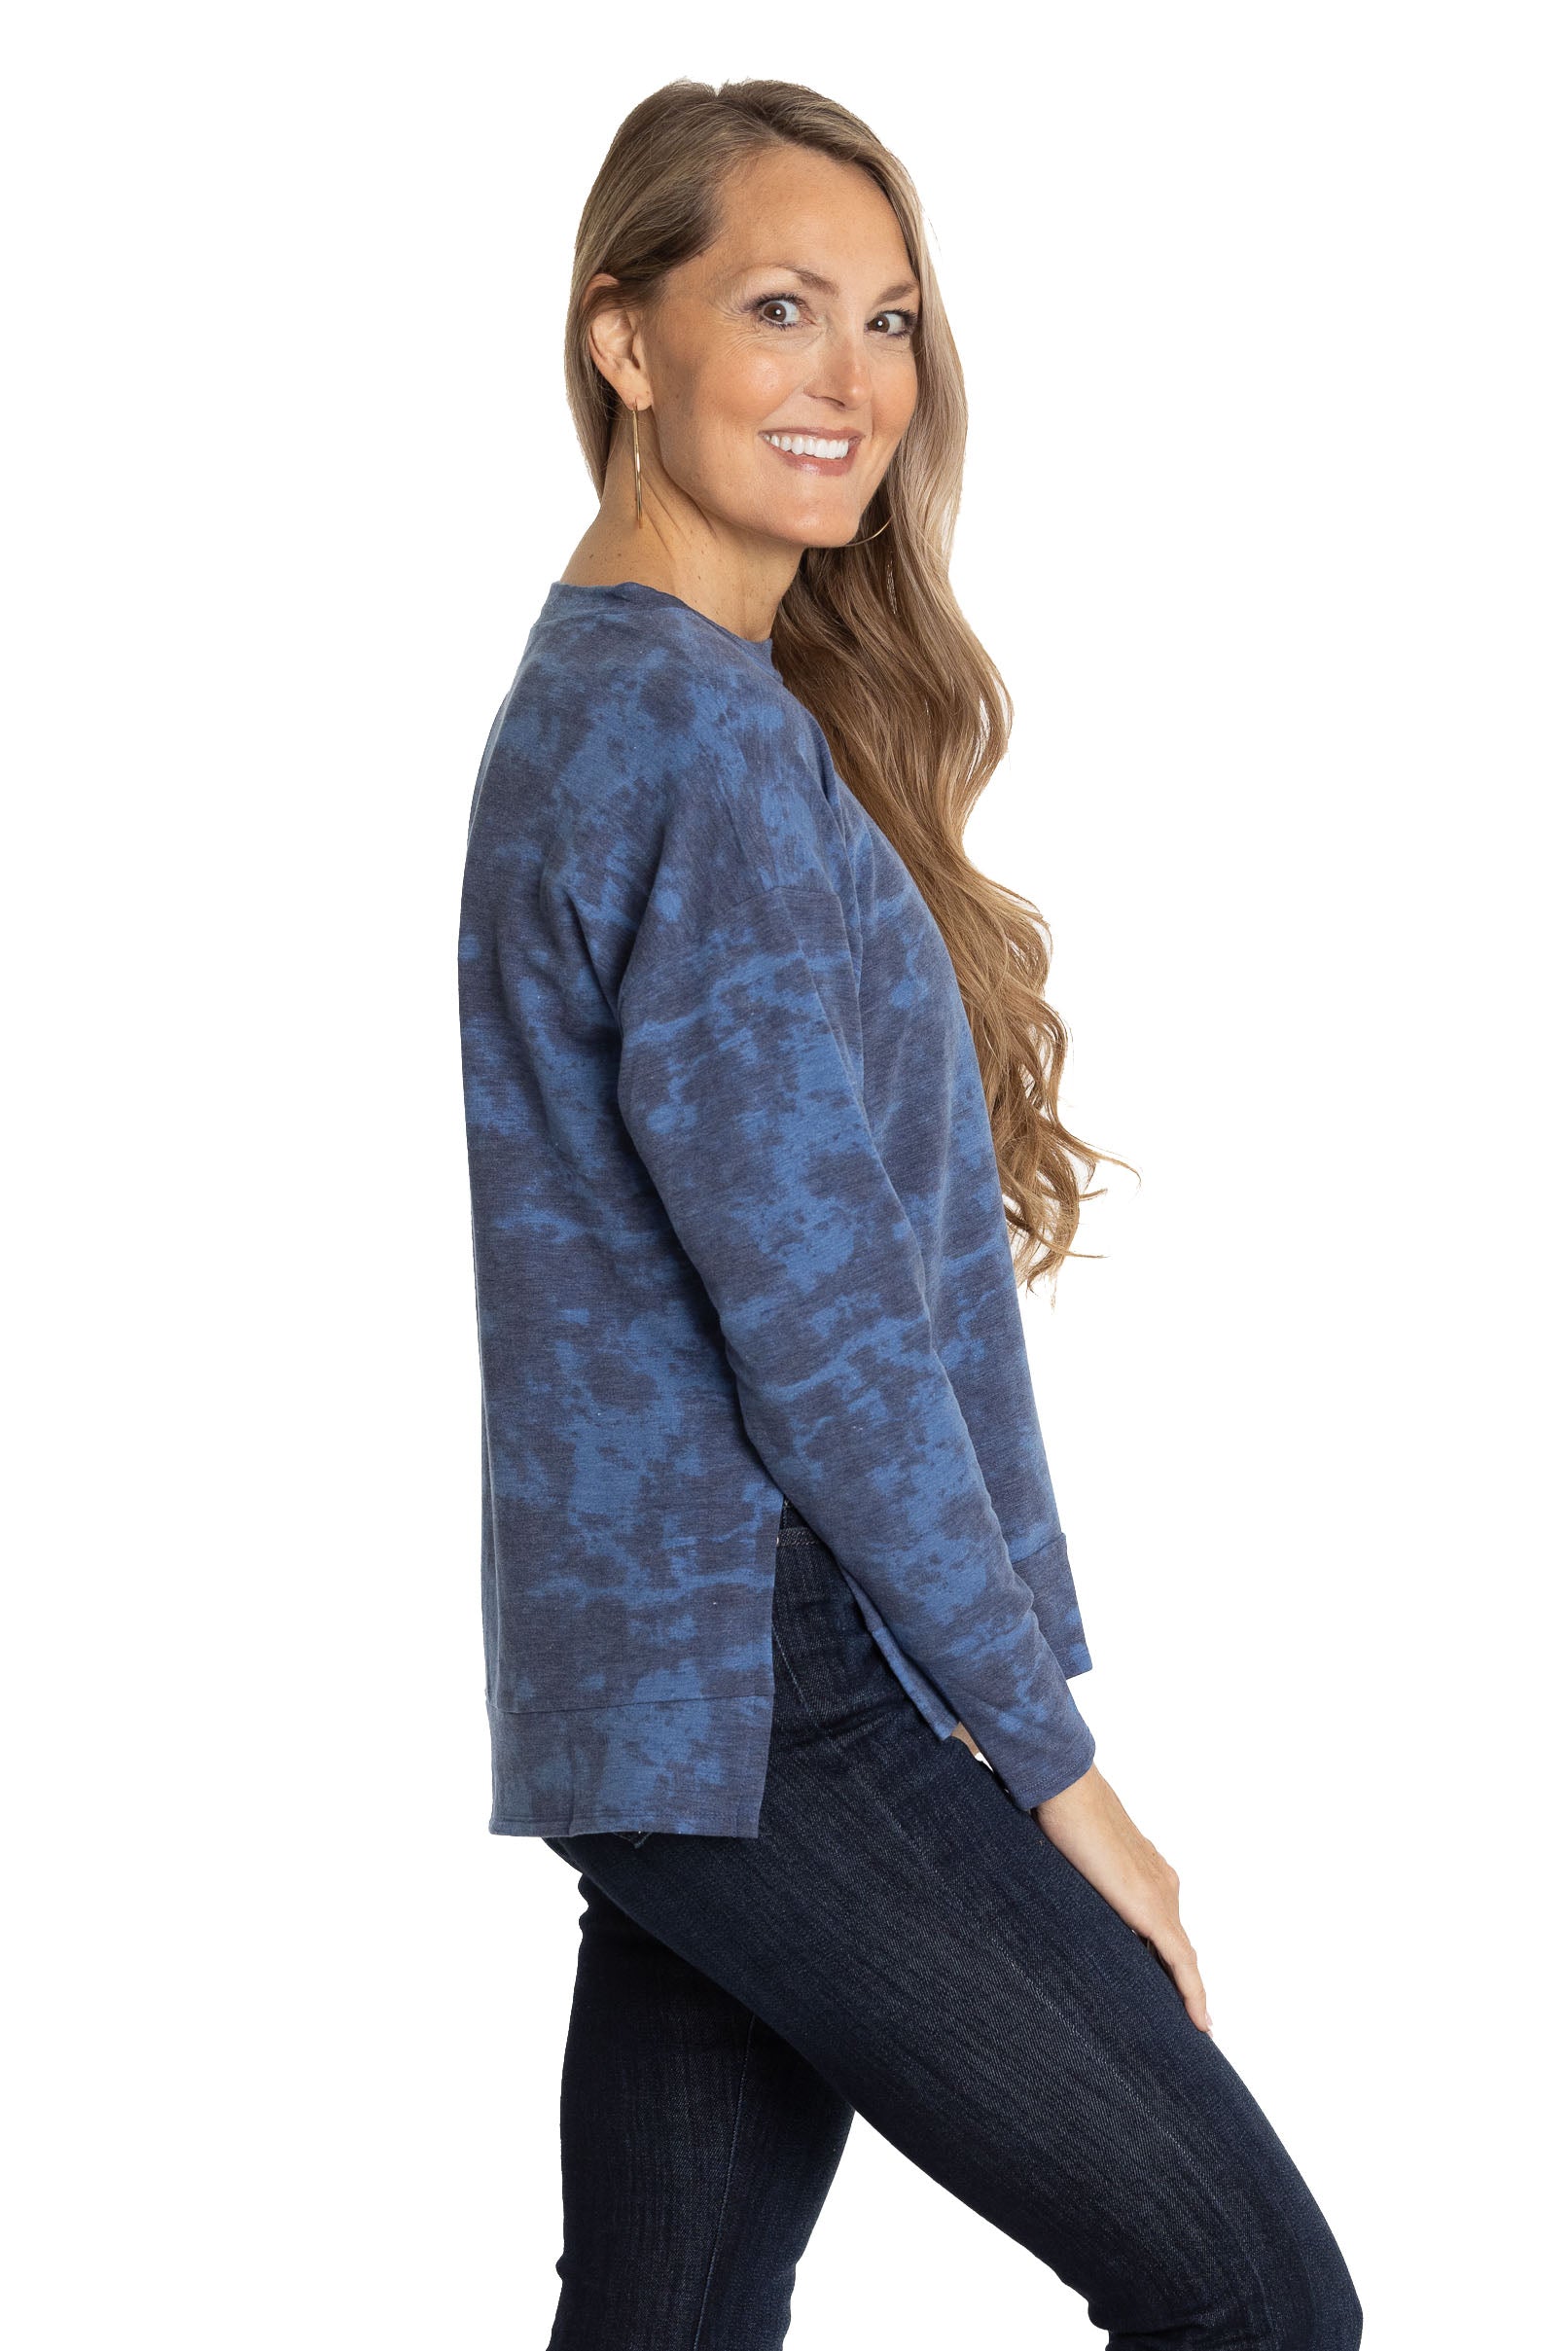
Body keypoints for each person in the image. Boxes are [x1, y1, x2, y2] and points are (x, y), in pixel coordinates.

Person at [456, 75, 1363, 2351]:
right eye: (777, 307)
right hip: (768, 1689)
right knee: (1252, 2298)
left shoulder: (613, 702)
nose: (851, 379)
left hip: (661, 1696)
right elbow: (830, 1340)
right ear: (623, 339)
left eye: (886, 318)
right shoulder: (693, 748)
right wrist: (1056, 1777)